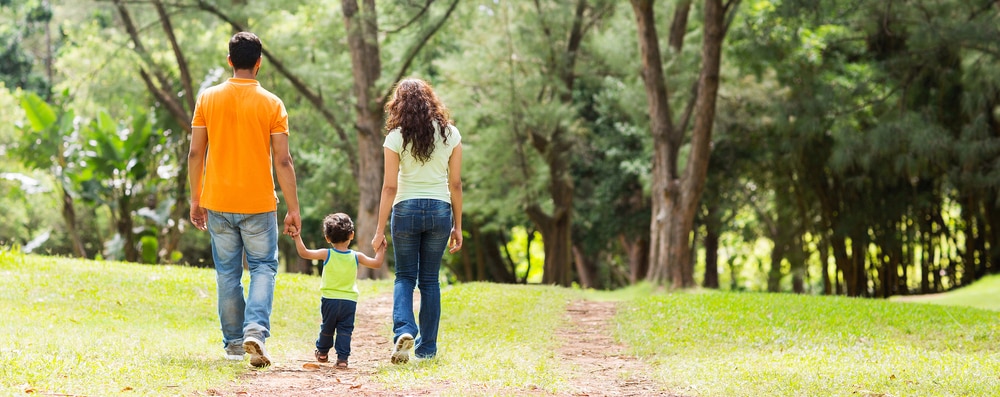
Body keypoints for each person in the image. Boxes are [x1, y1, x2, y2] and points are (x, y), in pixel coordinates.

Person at [188, 31, 300, 368]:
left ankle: (235, 345)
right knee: (264, 268)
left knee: (227, 274)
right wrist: (293, 208)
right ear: (259, 62)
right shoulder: (272, 103)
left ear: (230, 61)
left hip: (218, 200)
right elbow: (283, 160)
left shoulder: (207, 98)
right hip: (259, 203)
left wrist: (196, 198)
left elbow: (195, 152)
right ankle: (255, 330)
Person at [371, 78, 463, 364]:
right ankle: (427, 350)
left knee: (405, 277)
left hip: (406, 210)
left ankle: (404, 330)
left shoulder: (396, 137)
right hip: (439, 211)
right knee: (430, 281)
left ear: (398, 105)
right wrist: (457, 225)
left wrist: (378, 230)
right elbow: (456, 184)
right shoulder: (451, 134)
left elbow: (389, 187)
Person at [293, 213, 386, 369]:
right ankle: (342, 359)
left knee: (327, 327)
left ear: (327, 238)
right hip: (349, 301)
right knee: (345, 330)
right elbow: (377, 263)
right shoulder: (357, 256)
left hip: (330, 300)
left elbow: (304, 252)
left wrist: (297, 236)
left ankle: (322, 353)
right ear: (352, 235)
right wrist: (381, 248)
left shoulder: (326, 254)